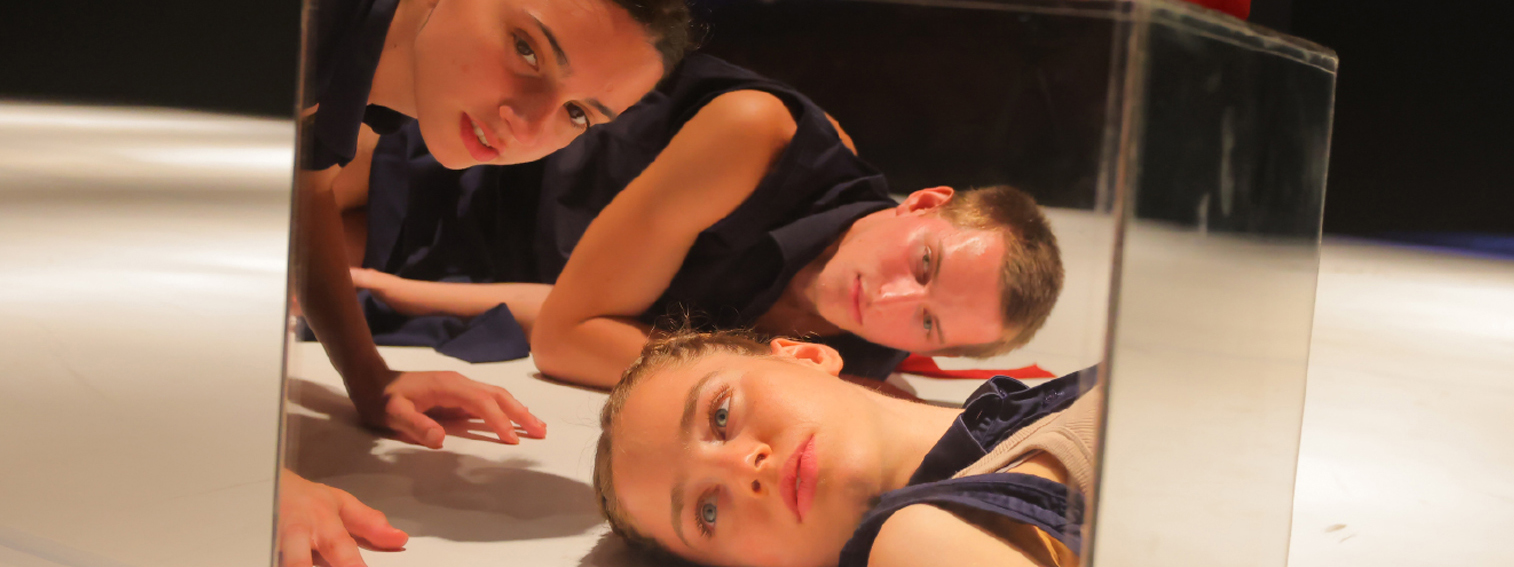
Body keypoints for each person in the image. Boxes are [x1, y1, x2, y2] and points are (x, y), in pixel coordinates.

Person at [338, 54, 1066, 389]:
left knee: (311, 280)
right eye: (925, 263)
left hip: (490, 275)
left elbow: (580, 315)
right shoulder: (763, 139)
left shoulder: (852, 364)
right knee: (304, 183)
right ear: (924, 203)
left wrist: (404, 292)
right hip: (480, 165)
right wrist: (764, 374)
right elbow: (570, 336)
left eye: (928, 323)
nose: (892, 300)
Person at [593, 329, 1100, 567]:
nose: (742, 467)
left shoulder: (1050, 405)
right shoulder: (917, 543)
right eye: (707, 511)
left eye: (720, 416)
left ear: (806, 355)